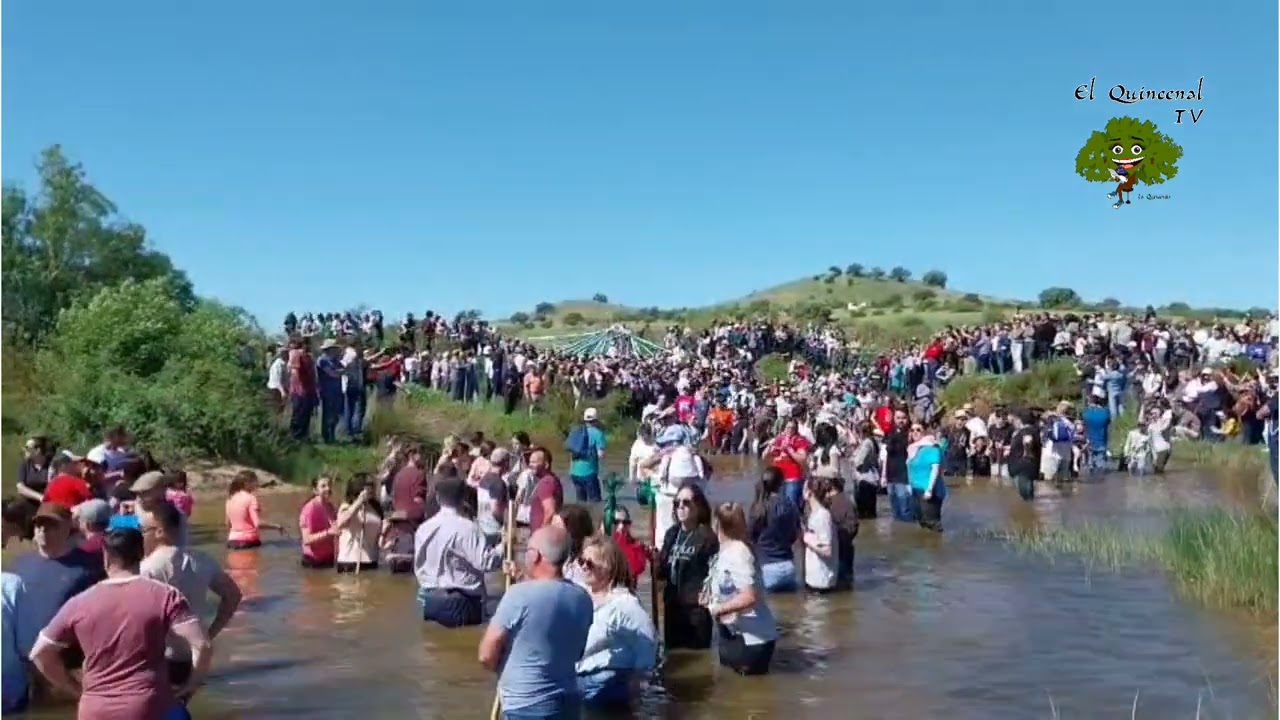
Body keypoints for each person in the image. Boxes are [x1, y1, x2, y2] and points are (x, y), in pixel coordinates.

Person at [29, 528, 212, 720]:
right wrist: (190, 685)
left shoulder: (79, 602)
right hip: (149, 706)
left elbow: (39, 654)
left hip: (95, 709)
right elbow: (202, 645)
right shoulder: (165, 596)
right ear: (142, 554)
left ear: (106, 558)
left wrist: (75, 689)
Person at [478, 524, 593, 719]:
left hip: (526, 704)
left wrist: (503, 669)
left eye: (527, 550)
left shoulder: (517, 595)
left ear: (535, 556)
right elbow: (578, 652)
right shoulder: (582, 598)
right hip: (568, 702)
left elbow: (486, 655)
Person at [139, 502, 242, 692]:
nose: (142, 535)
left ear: (160, 531)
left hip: (160, 659)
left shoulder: (147, 568)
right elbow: (233, 595)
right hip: (194, 657)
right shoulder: (202, 560)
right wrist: (209, 634)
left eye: (144, 530)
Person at [12, 502, 105, 664]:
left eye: (51, 525)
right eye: (39, 525)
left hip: (68, 662)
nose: (43, 530)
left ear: (68, 527)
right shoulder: (20, 565)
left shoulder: (90, 567)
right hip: (23, 662)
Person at [574, 537, 657, 707]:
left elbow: (648, 640)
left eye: (589, 563)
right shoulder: (581, 595)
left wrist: (640, 679)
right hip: (580, 678)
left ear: (608, 567)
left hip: (608, 684)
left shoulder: (624, 603)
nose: (583, 567)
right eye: (581, 561)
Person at [414, 475, 501, 627]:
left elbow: (419, 564)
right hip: (463, 603)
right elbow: (486, 563)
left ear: (438, 499)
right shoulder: (468, 528)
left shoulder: (423, 528)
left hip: (429, 601)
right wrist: (503, 547)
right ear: (463, 499)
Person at [703, 503, 778, 676]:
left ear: (716, 524)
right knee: (731, 686)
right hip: (733, 633)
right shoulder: (726, 550)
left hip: (752, 640)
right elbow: (729, 586)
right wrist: (710, 597)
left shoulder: (739, 552)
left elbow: (749, 597)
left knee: (748, 689)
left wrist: (718, 609)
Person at [656, 483, 718, 650]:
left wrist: (710, 597)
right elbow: (662, 572)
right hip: (672, 610)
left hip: (696, 614)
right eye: (677, 503)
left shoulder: (707, 537)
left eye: (686, 503)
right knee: (673, 659)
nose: (681, 507)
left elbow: (716, 574)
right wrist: (655, 561)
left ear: (698, 507)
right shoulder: (672, 534)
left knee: (698, 659)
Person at [748, 467, 801, 592]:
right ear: (781, 484)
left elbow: (750, 537)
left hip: (766, 567)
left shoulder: (758, 508)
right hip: (788, 567)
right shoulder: (790, 505)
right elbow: (795, 535)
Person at [224, 470, 286, 549]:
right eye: (255, 481)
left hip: (231, 542)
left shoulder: (230, 498)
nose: (257, 484)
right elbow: (257, 524)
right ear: (246, 483)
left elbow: (228, 524)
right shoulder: (251, 498)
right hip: (248, 542)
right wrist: (277, 526)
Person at [334, 476, 383, 573]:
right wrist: (358, 503)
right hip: (350, 561)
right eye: (369, 485)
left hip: (372, 560)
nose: (372, 488)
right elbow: (340, 523)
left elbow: (378, 534)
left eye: (373, 485)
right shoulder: (346, 506)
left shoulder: (376, 508)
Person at [906, 423, 945, 532]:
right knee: (921, 520)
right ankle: (925, 541)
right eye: (912, 430)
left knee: (932, 522)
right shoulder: (912, 449)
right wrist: (909, 485)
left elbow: (935, 469)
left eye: (918, 430)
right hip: (916, 489)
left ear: (924, 432)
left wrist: (929, 489)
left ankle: (937, 541)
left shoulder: (932, 446)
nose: (915, 432)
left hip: (929, 490)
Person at [802, 476, 838, 593]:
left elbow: (827, 550)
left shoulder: (823, 516)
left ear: (809, 493)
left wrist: (808, 539)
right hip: (814, 578)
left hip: (821, 581)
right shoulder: (813, 513)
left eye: (804, 488)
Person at [765, 419, 811, 507]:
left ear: (796, 429)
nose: (790, 430)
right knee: (777, 506)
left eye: (793, 428)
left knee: (791, 506)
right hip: (778, 479)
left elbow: (803, 459)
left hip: (793, 479)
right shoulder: (779, 439)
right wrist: (769, 446)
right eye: (788, 427)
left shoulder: (800, 440)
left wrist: (790, 450)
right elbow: (765, 457)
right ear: (784, 428)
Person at [566, 408, 608, 503]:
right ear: (596, 420)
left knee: (581, 502)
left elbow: (571, 451)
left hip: (574, 473)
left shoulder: (576, 431)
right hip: (589, 473)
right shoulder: (598, 433)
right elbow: (600, 455)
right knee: (595, 502)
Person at [826, 477, 858, 589]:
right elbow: (853, 527)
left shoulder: (830, 503)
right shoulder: (848, 502)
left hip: (837, 550)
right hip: (845, 548)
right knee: (846, 583)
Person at [525, 447, 564, 532]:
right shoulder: (552, 479)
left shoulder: (546, 482)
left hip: (543, 534)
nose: (530, 465)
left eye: (534, 462)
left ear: (546, 465)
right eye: (530, 462)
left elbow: (550, 511)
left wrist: (542, 532)